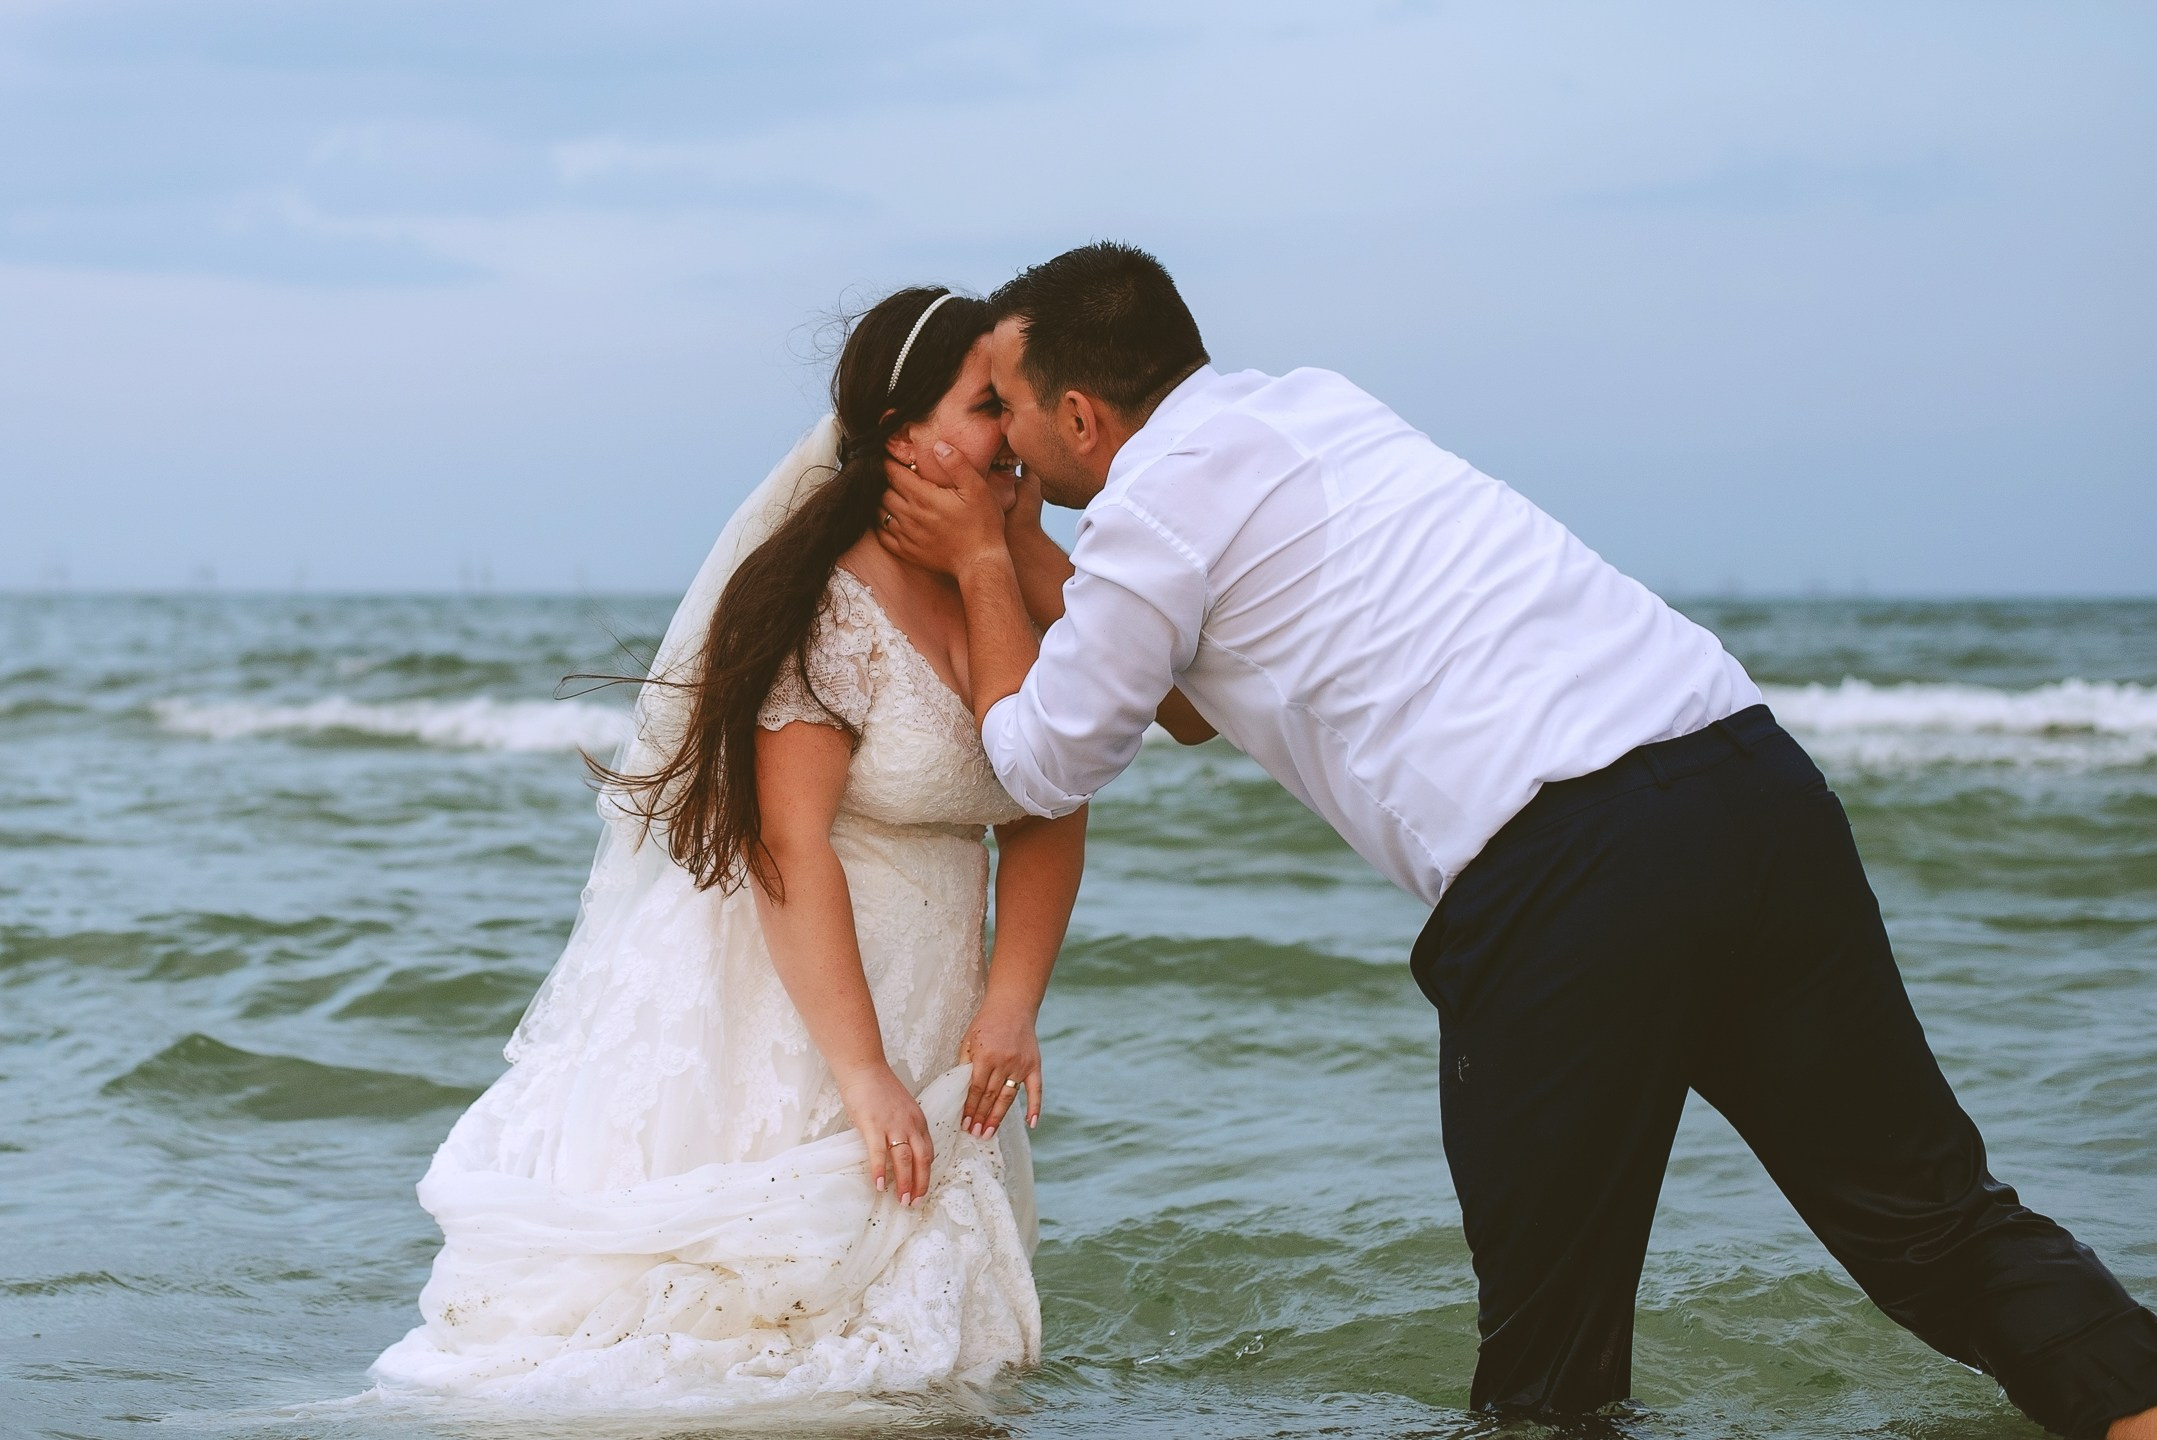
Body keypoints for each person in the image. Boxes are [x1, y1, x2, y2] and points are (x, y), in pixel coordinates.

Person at [875, 242, 2157, 1440]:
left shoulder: (1149, 516)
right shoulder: (1314, 405)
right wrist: (1032, 545)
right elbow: (1200, 705)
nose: (1007, 442)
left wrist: (987, 562)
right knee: (1933, 1221)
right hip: (1751, 783)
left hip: (1572, 879)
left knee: (1548, 1367)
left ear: (1084, 418)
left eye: (1010, 406)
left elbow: (1039, 760)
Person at [370, 288, 1102, 1407]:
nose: (1019, 430)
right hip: (800, 1000)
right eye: (986, 405)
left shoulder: (1007, 578)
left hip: (937, 998)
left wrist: (1013, 1004)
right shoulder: (831, 607)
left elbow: (1050, 797)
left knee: (929, 1354)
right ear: (906, 437)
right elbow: (784, 845)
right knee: (754, 1341)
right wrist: (862, 1075)